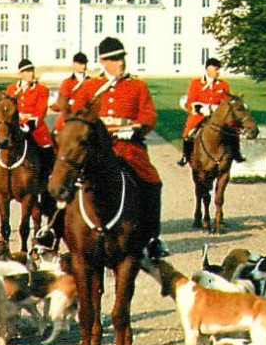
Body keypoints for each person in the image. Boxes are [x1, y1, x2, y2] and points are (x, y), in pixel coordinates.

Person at [37, 37, 169, 261]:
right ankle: (52, 230)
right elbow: (75, 117)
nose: (121, 63)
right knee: (62, 176)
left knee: (152, 180)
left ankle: (151, 237)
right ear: (103, 61)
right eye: (115, 59)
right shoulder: (90, 87)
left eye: (122, 58)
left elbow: (148, 116)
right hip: (94, 149)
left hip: (126, 147)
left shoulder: (138, 86)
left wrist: (136, 130)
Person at [0, 57, 54, 190]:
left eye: (32, 70)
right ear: (21, 74)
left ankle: (47, 176)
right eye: (28, 71)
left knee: (46, 146)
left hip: (34, 126)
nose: (31, 74)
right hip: (14, 125)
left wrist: (29, 123)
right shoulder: (11, 89)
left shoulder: (41, 89)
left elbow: (41, 111)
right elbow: (7, 109)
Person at [176, 56, 244, 167]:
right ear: (207, 70)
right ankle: (185, 155)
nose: (218, 72)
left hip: (218, 116)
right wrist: (201, 109)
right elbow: (190, 101)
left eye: (218, 69)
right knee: (189, 132)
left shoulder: (223, 84)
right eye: (215, 69)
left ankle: (236, 154)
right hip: (200, 115)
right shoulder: (196, 83)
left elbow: (227, 101)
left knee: (233, 130)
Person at [51, 51, 88, 134]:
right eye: (81, 63)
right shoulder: (67, 82)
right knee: (57, 131)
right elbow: (63, 102)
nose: (84, 66)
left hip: (86, 115)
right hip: (70, 114)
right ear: (74, 64)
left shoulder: (90, 81)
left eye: (85, 63)